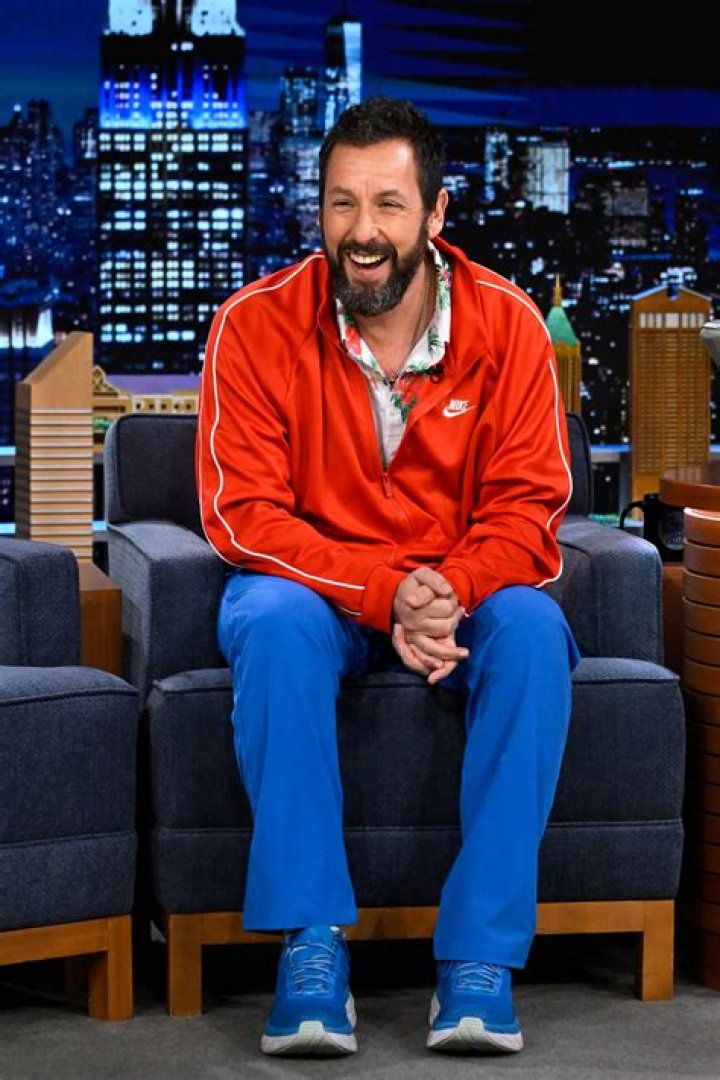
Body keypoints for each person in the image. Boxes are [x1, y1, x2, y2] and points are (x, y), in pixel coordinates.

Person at [197, 96, 579, 1057]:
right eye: (342, 204)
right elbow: (244, 514)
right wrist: (382, 592)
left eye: (388, 204)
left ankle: (479, 958)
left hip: (458, 590)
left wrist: (447, 589)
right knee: (270, 620)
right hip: (317, 592)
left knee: (535, 632)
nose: (361, 232)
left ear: (436, 213)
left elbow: (529, 508)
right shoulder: (252, 325)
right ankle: (311, 944)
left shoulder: (511, 326)